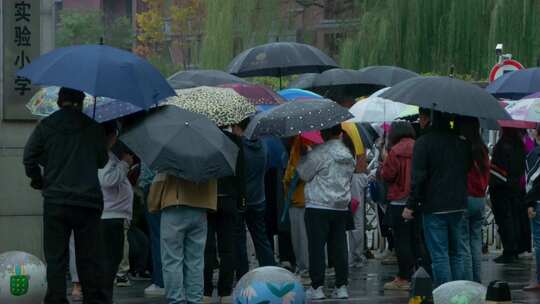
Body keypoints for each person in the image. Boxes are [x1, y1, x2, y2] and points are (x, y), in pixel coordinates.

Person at [23, 87, 109, 304]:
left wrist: (38, 180)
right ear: (81, 103)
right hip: (88, 202)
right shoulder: (92, 126)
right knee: (89, 258)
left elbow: (29, 157)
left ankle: (56, 300)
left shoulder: (47, 125)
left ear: (59, 102)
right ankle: (93, 300)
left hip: (56, 201)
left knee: (56, 258)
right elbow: (102, 161)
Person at [403, 111, 471, 287]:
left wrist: (410, 204)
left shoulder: (424, 143)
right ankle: (459, 293)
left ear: (429, 119)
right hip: (459, 203)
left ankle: (444, 293)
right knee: (458, 253)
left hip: (434, 206)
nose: (421, 121)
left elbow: (418, 178)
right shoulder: (461, 142)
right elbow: (467, 167)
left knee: (439, 254)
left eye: (423, 117)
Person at [298, 124, 356, 300]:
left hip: (318, 205)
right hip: (340, 207)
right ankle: (342, 286)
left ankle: (317, 287)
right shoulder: (348, 154)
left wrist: (305, 155)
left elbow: (304, 174)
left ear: (323, 133)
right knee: (339, 247)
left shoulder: (318, 153)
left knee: (316, 247)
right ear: (339, 133)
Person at [148, 173, 216, 304]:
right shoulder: (208, 154)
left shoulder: (172, 153)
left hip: (174, 205)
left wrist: (153, 203)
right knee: (196, 262)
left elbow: (161, 178)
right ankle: (195, 300)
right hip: (200, 208)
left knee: (172, 260)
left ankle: (176, 300)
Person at [382, 121, 429, 290]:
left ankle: (404, 276)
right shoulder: (419, 147)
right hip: (417, 200)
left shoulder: (395, 151)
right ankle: (422, 272)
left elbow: (387, 175)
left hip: (398, 201)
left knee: (401, 240)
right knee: (417, 239)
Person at [233, 118, 276, 278]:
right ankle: (271, 272)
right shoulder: (262, 146)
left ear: (238, 127)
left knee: (239, 240)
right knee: (261, 238)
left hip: (241, 199)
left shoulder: (238, 147)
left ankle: (243, 275)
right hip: (259, 198)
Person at [98, 121, 135, 302]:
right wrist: (124, 164)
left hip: (113, 215)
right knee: (110, 263)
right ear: (111, 135)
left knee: (110, 262)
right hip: (110, 216)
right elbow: (107, 180)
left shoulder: (107, 154)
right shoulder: (104, 156)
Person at [204, 128, 241, 303]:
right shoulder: (234, 140)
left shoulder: (202, 138)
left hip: (206, 198)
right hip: (229, 198)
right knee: (228, 248)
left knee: (207, 248)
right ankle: (225, 292)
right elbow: (241, 173)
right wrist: (242, 199)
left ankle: (206, 291)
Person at [490, 128, 531, 263]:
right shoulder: (520, 146)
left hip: (502, 189)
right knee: (515, 219)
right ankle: (515, 248)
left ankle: (509, 250)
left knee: (505, 220)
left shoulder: (502, 147)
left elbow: (496, 170)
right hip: (517, 188)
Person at [458, 117, 490, 283]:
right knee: (476, 242)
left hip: (465, 198)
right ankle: (477, 281)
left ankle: (468, 282)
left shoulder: (463, 148)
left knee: (464, 244)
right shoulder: (482, 149)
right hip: (479, 199)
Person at [283, 136, 311, 283]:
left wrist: (288, 175)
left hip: (299, 198)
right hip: (302, 198)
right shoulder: (300, 141)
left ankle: (304, 270)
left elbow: (295, 172)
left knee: (301, 237)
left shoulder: (300, 142)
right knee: (303, 236)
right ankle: (304, 268)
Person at [139, 162, 165, 297]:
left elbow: (148, 172)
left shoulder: (150, 142)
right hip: (171, 186)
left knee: (157, 237)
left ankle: (160, 281)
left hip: (154, 185)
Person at [524, 124, 540, 291]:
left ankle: (539, 279)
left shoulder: (534, 155)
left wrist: (529, 203)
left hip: (538, 203)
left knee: (539, 242)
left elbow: (531, 181)